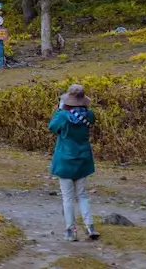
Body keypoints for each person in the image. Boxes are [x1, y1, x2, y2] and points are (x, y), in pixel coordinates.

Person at [49, 83, 99, 243]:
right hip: (83, 160)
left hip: (65, 160)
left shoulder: (63, 116)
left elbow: (52, 127)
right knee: (82, 195)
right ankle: (90, 226)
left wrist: (59, 109)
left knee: (68, 197)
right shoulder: (89, 115)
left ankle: (71, 230)